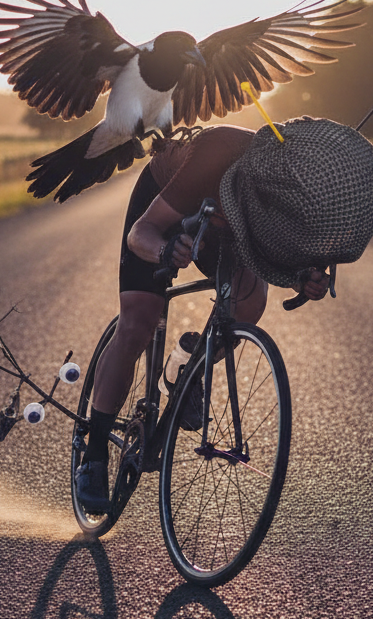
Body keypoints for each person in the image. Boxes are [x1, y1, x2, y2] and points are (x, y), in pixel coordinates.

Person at [74, 123, 330, 514]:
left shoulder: (292, 194)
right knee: (140, 321)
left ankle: (185, 368)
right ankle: (93, 458)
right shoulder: (214, 153)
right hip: (171, 204)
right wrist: (162, 252)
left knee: (248, 303)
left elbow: (282, 257)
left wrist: (305, 277)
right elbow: (141, 233)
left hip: (226, 225)